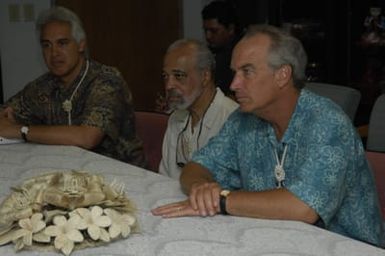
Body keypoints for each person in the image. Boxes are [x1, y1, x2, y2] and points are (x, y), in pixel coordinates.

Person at [152, 25, 384, 246]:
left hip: (348, 247)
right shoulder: (242, 120)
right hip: (275, 239)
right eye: (234, 72)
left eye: (247, 72)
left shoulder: (328, 123)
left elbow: (303, 208)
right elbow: (197, 167)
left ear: (282, 75)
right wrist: (202, 189)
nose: (234, 84)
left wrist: (222, 200)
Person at [0, 7, 146, 167]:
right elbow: (5, 115)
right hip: (66, 172)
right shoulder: (43, 86)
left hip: (119, 178)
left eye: (62, 43)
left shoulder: (107, 80)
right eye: (46, 45)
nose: (54, 53)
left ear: (81, 45)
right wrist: (9, 119)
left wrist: (22, 131)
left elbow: (87, 137)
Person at [158, 39, 238, 179]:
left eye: (179, 76)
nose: (169, 85)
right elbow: (164, 179)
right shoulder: (175, 118)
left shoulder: (233, 119)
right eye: (166, 76)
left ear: (205, 77)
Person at [202, 0, 241, 96]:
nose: (208, 36)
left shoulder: (241, 55)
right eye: (206, 30)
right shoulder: (211, 53)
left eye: (214, 31)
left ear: (231, 29)